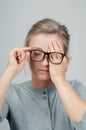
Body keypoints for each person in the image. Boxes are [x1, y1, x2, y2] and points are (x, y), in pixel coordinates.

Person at [0, 18, 86, 130]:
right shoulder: (12, 93)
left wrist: (60, 78)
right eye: (36, 53)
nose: (45, 62)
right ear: (26, 55)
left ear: (66, 60)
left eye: (54, 55)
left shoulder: (75, 88)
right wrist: (9, 71)